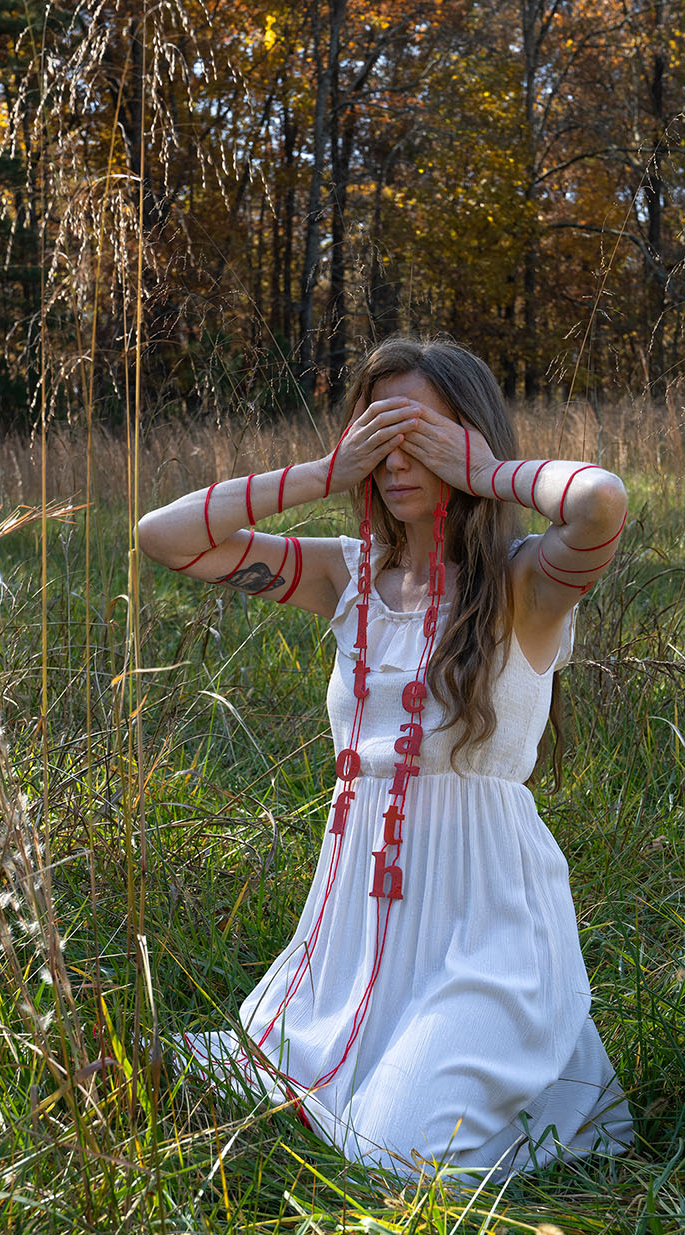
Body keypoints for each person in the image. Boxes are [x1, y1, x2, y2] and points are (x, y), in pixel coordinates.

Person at [135, 337, 634, 1181]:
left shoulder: (527, 583)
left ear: (470, 440)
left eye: (422, 438)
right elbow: (164, 535)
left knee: (388, 1148)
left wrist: (486, 469)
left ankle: (535, 1087)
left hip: (487, 923)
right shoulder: (347, 573)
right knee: (309, 1067)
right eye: (379, 435)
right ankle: (247, 1067)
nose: (397, 460)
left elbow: (601, 502)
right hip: (360, 918)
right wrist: (324, 473)